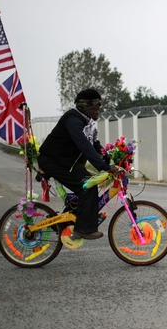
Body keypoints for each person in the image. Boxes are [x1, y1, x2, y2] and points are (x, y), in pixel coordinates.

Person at [38, 89, 117, 240]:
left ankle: (66, 220)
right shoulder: (73, 119)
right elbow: (83, 146)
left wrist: (111, 160)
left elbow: (95, 146)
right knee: (88, 186)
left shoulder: (86, 122)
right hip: (53, 161)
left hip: (68, 163)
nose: (98, 111)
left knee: (87, 185)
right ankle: (83, 229)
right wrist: (104, 167)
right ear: (85, 106)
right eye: (96, 107)